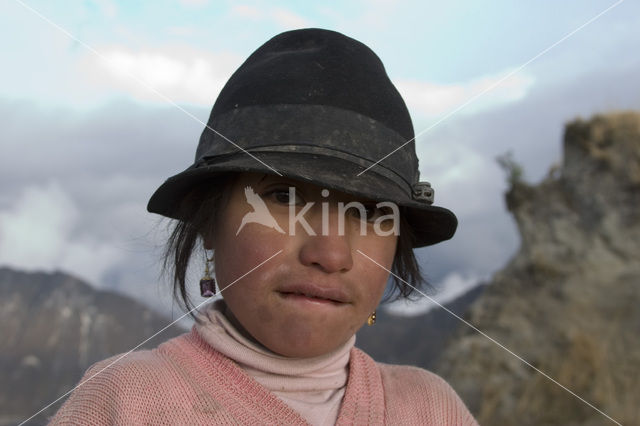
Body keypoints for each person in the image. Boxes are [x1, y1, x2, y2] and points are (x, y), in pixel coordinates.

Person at [50, 28, 478, 425]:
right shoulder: (123, 404)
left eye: (368, 213)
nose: (331, 255)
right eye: (284, 197)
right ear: (207, 222)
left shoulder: (431, 409)